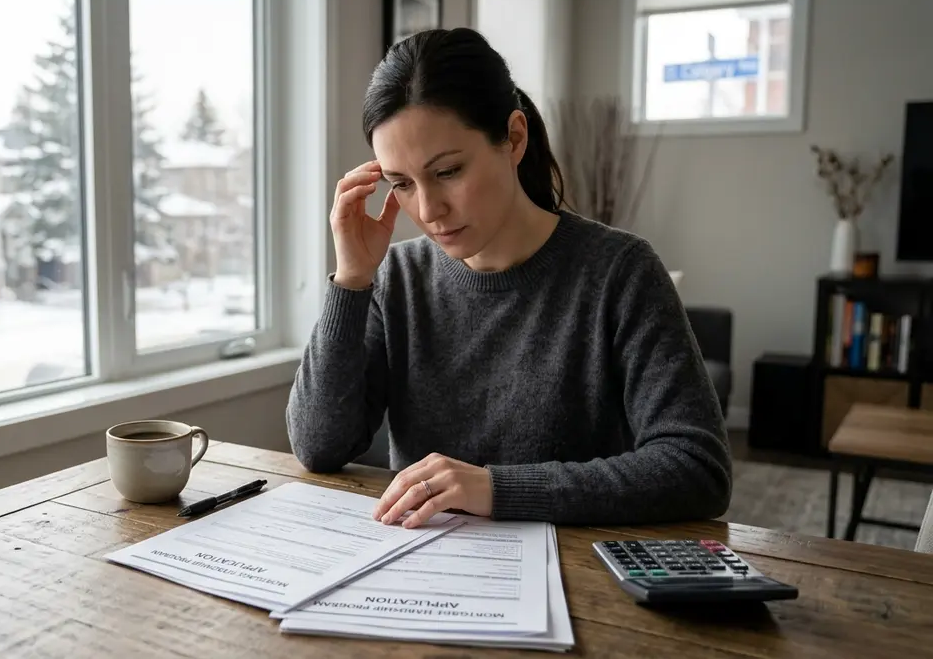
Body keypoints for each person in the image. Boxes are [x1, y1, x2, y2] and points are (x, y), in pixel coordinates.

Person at [285, 27, 732, 529]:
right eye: (402, 184)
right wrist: (350, 281)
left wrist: (498, 488)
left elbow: (698, 468)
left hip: (576, 585)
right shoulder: (397, 279)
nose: (428, 210)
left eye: (449, 171)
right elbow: (318, 446)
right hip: (419, 573)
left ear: (513, 138)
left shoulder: (621, 272)